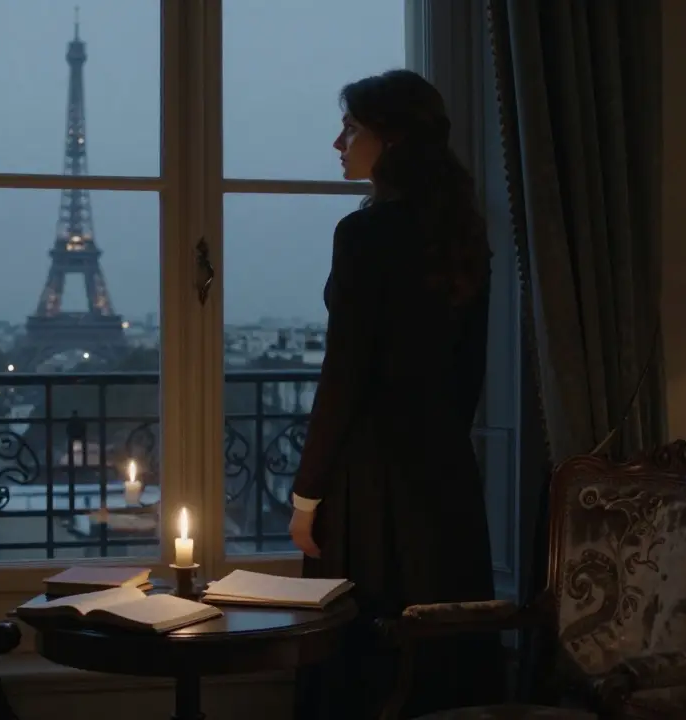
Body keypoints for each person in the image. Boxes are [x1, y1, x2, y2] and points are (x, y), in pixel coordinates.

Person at [289, 69, 504, 718]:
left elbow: (344, 374)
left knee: (361, 656)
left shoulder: (364, 234)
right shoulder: (464, 234)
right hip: (444, 478)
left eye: (352, 128)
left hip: (369, 484)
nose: (338, 142)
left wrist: (308, 494)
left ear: (394, 140)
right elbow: (471, 371)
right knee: (435, 656)